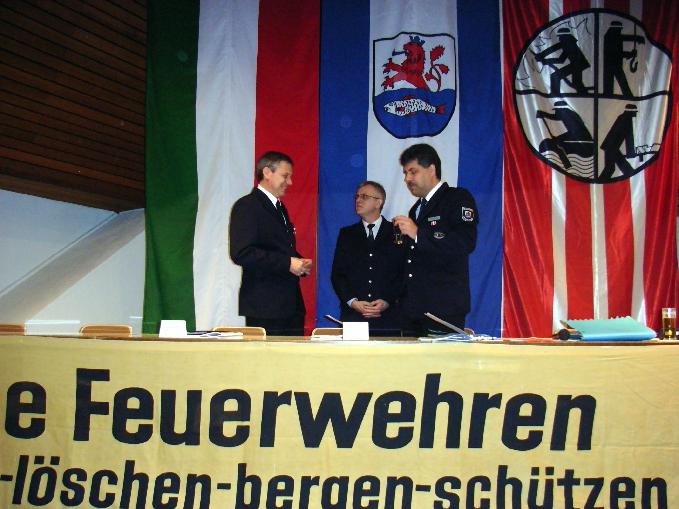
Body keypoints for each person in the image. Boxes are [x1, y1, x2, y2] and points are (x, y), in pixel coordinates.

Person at [392, 143, 478, 336]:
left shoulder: (457, 198)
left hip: (443, 308)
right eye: (405, 173)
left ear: (431, 169)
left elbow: (465, 242)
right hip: (412, 308)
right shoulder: (416, 209)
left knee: (441, 357)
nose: (407, 179)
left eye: (413, 171)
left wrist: (418, 233)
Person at [229, 151, 311, 336]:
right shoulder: (247, 206)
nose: (290, 182)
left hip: (289, 305)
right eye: (285, 176)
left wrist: (299, 262)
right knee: (268, 356)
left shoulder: (280, 208)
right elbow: (241, 252)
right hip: (265, 307)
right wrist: (288, 263)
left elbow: (278, 248)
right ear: (267, 172)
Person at [331, 181, 405, 336]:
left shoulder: (398, 232)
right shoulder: (347, 234)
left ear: (378, 202)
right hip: (354, 316)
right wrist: (353, 302)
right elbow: (338, 275)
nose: (358, 200)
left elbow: (404, 273)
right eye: (357, 197)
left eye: (364, 196)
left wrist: (387, 300)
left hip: (389, 317)